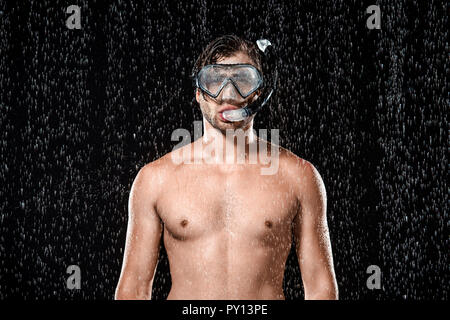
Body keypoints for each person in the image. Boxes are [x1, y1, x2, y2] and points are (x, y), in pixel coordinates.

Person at [115, 35, 338, 300]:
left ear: (258, 93)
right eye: (214, 81)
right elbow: (134, 290)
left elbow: (321, 288)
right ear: (199, 93)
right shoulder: (155, 180)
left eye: (243, 80)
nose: (228, 94)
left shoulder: (298, 176)